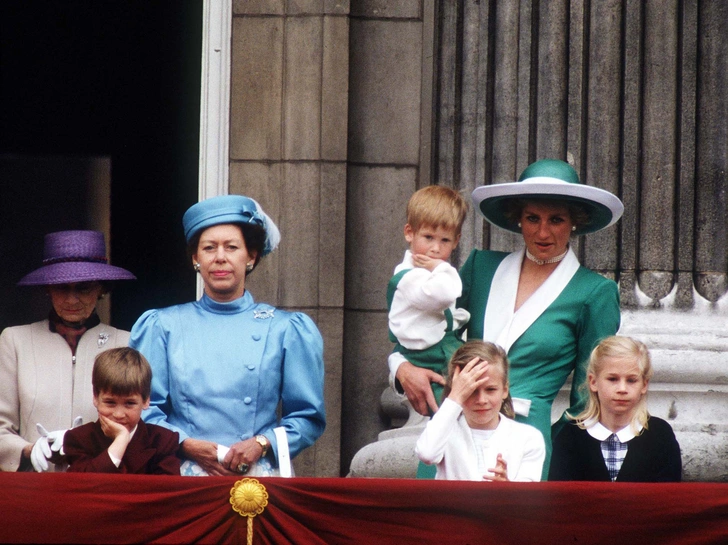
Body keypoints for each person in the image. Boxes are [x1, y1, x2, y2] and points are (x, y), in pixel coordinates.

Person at [391, 158, 624, 477]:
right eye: (532, 218)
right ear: (518, 219)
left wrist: (552, 442)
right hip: (452, 435)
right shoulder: (480, 267)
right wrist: (401, 367)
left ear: (575, 222)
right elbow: (424, 323)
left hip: (523, 448)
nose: (542, 231)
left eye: (556, 219)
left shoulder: (595, 292)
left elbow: (590, 393)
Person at [130, 194, 326, 477]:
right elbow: (143, 409)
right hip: (178, 474)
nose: (220, 257)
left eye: (231, 247)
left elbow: (308, 417)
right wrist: (185, 444)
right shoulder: (162, 326)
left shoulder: (284, 329)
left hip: (256, 480)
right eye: (209, 248)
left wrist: (262, 443)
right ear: (196, 258)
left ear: (251, 256)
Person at [0, 230, 136, 472]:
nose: (72, 300)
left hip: (101, 484)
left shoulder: (126, 343)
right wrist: (28, 450)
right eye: (62, 288)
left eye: (83, 288)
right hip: (35, 488)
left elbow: (139, 425)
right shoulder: (16, 341)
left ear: (101, 289)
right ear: (48, 289)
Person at [549, 336, 682, 482]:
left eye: (631, 380)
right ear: (593, 382)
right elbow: (561, 497)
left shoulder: (660, 435)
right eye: (612, 379)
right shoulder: (571, 436)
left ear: (644, 385)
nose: (622, 389)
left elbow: (668, 497)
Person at [415, 341, 545, 481]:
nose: (481, 400)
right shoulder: (446, 431)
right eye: (471, 390)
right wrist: (454, 397)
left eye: (490, 389)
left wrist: (507, 488)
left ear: (505, 390)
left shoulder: (528, 437)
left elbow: (528, 497)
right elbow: (426, 453)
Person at [387, 185, 469, 407]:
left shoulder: (430, 273)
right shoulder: (408, 277)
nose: (435, 248)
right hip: (426, 355)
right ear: (409, 233)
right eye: (428, 237)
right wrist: (442, 268)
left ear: (456, 241)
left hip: (439, 349)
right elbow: (443, 294)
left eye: (445, 241)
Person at [64, 347, 180, 474]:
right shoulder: (79, 439)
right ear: (96, 398)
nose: (118, 414)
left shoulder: (163, 441)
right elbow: (84, 485)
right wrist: (120, 441)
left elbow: (168, 491)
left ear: (146, 400)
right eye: (110, 402)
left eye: (130, 403)